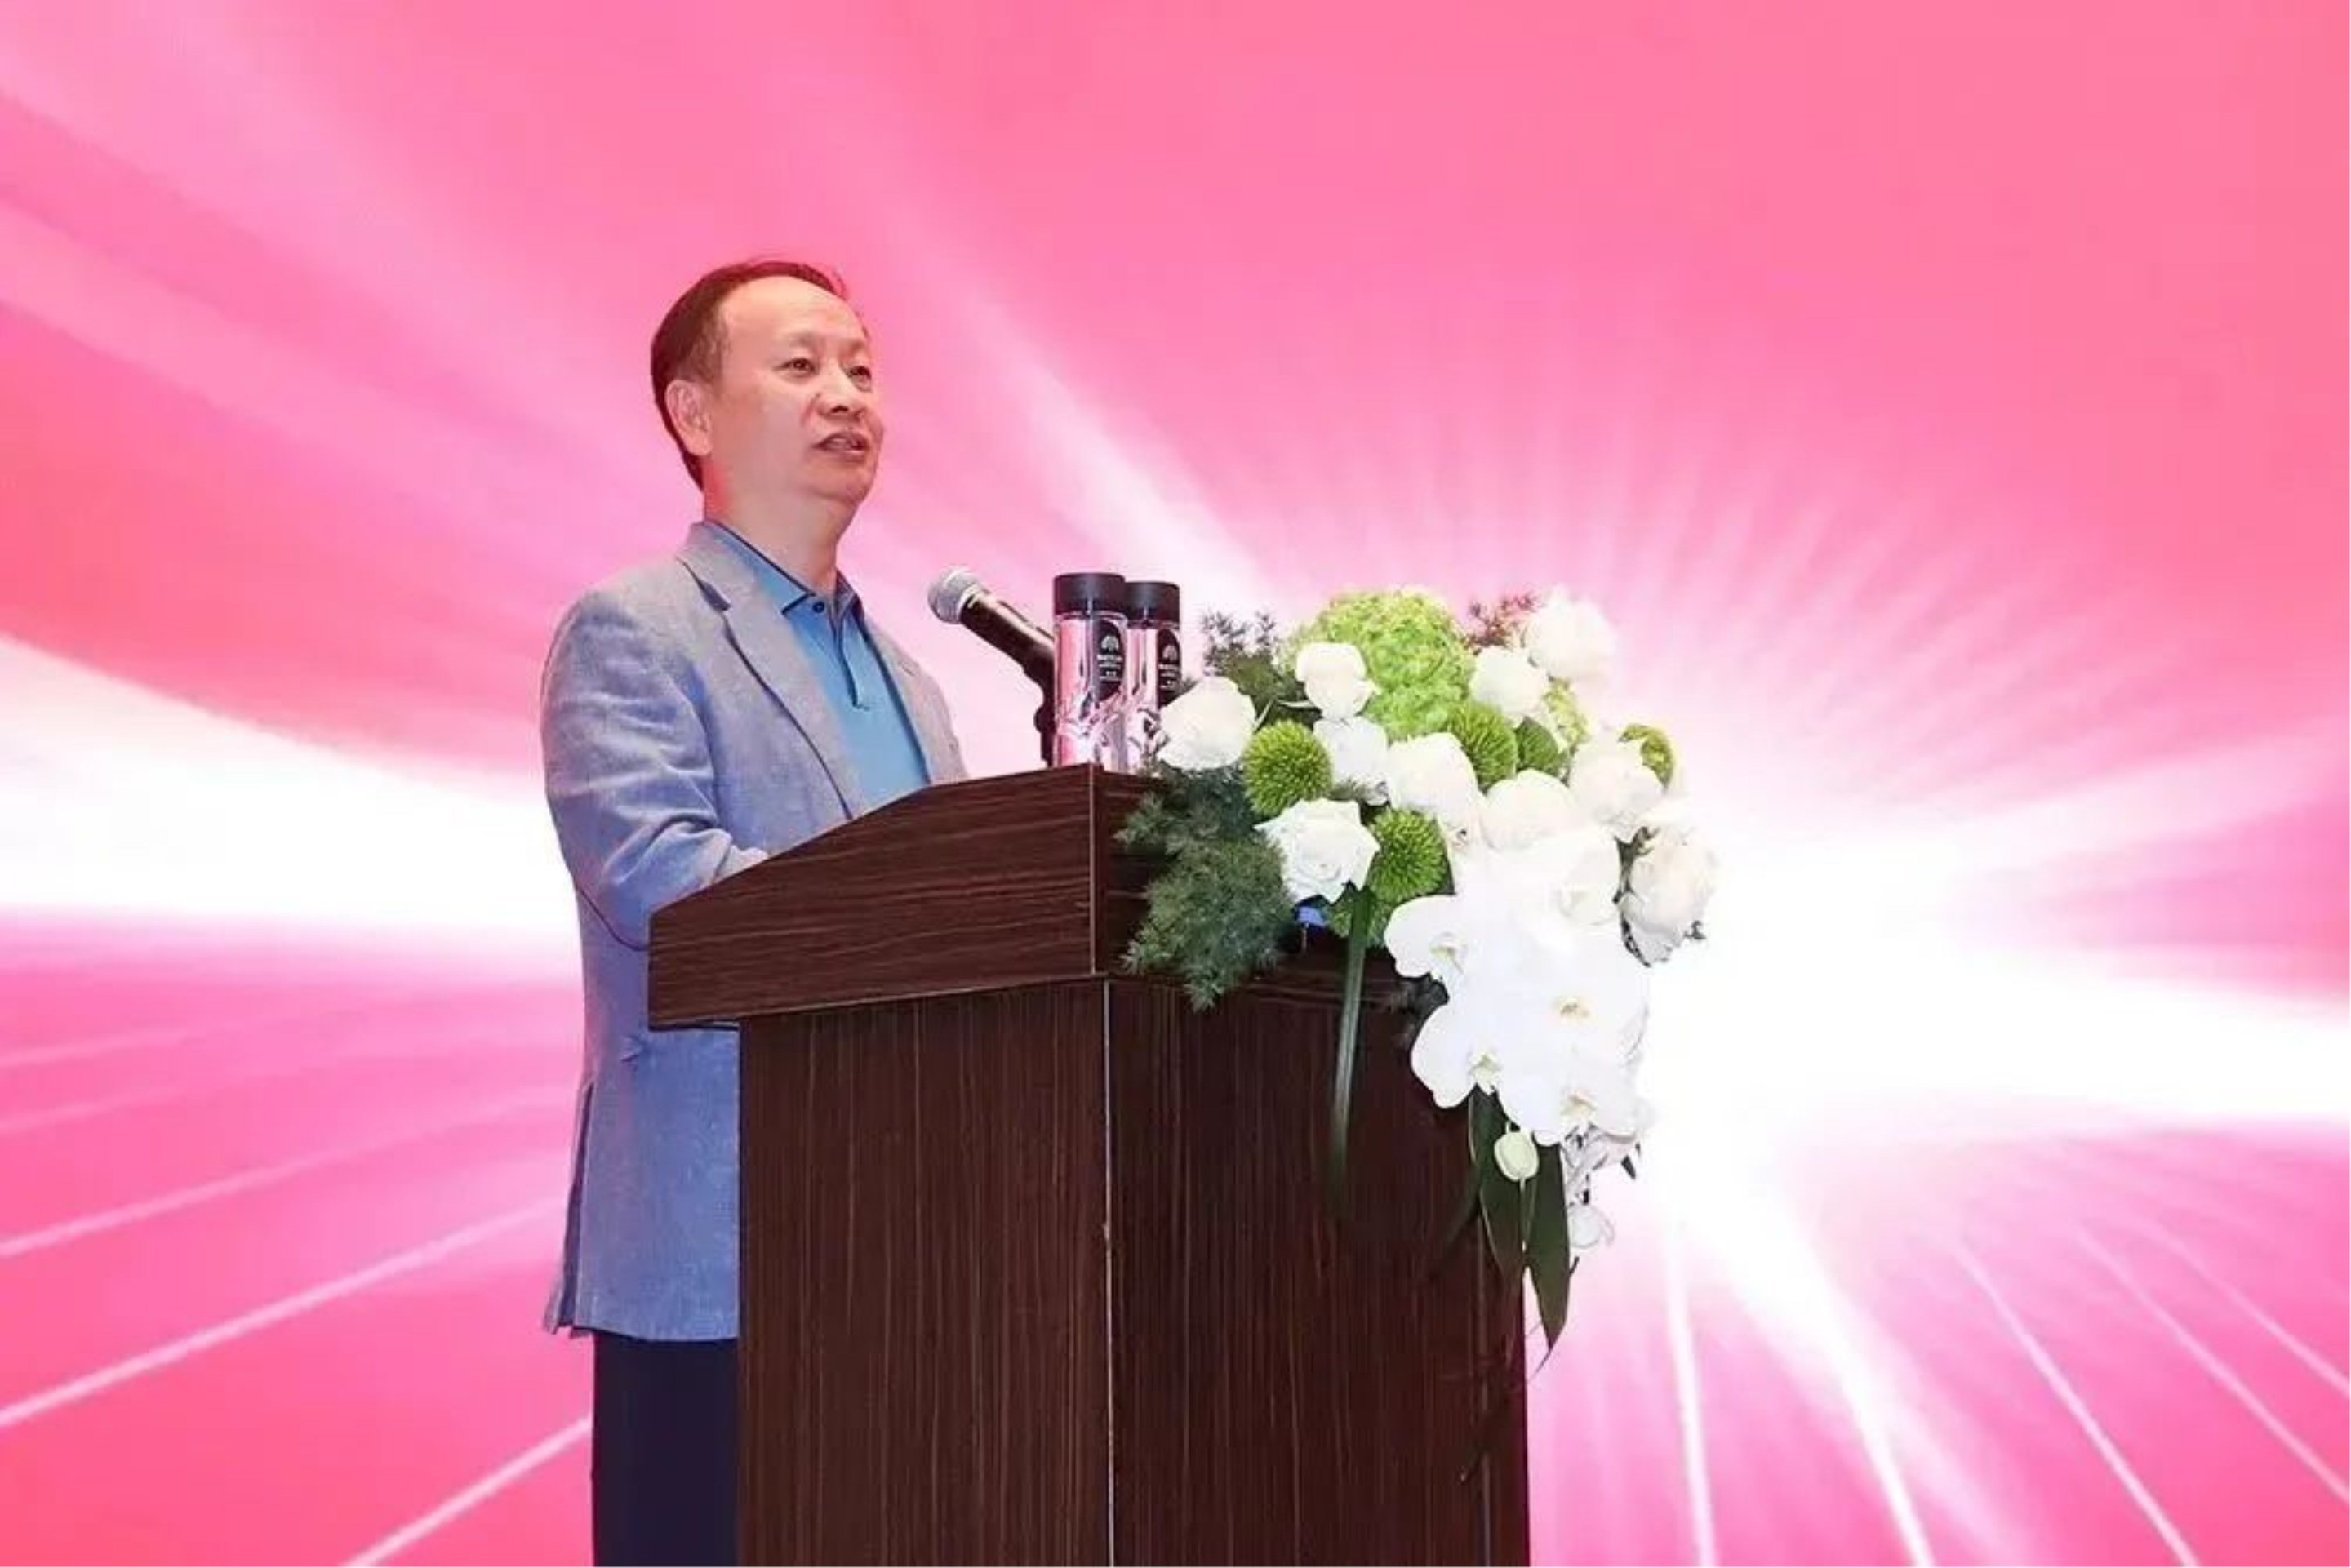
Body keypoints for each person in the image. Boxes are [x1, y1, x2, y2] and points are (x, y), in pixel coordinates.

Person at [537, 257, 967, 1566]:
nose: (847, 395)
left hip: (914, 1265)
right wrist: (917, 916)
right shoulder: (634, 630)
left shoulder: (913, 683)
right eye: (800, 365)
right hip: (718, 1259)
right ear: (694, 412)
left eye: (862, 369)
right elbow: (660, 880)